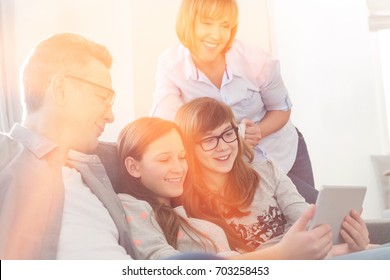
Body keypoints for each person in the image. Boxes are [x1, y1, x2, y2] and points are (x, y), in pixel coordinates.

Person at [150, 0, 318, 203]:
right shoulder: (171, 66)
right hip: (233, 164)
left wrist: (259, 130)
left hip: (281, 152)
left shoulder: (257, 61)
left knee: (311, 214)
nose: (217, 35)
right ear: (189, 22)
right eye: (208, 23)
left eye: (225, 25)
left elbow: (281, 109)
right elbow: (167, 124)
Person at [174, 97, 380, 258]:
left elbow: (304, 216)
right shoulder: (186, 210)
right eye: (209, 140)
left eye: (228, 133)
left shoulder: (266, 172)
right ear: (188, 148)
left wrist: (354, 243)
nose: (224, 146)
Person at [0, 33, 140, 259]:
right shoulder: (5, 153)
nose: (111, 116)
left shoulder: (102, 166)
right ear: (61, 89)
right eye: (102, 98)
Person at [117, 117, 334, 259]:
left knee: (366, 252)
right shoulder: (132, 206)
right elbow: (167, 265)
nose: (178, 168)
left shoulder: (184, 206)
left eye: (182, 157)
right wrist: (282, 254)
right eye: (164, 160)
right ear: (133, 167)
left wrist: (338, 247)